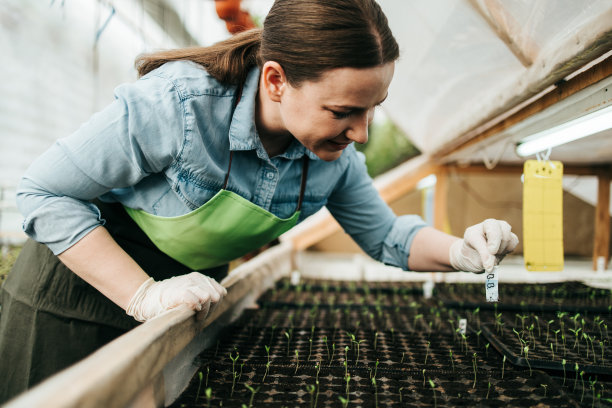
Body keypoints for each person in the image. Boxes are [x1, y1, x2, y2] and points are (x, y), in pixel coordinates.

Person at [0, 0, 518, 402]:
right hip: (72, 294)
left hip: (179, 303)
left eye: (373, 109)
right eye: (342, 111)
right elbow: (43, 191)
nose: (360, 133)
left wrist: (461, 252)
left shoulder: (331, 162)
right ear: (276, 80)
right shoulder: (180, 105)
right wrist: (144, 294)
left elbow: (388, 238)